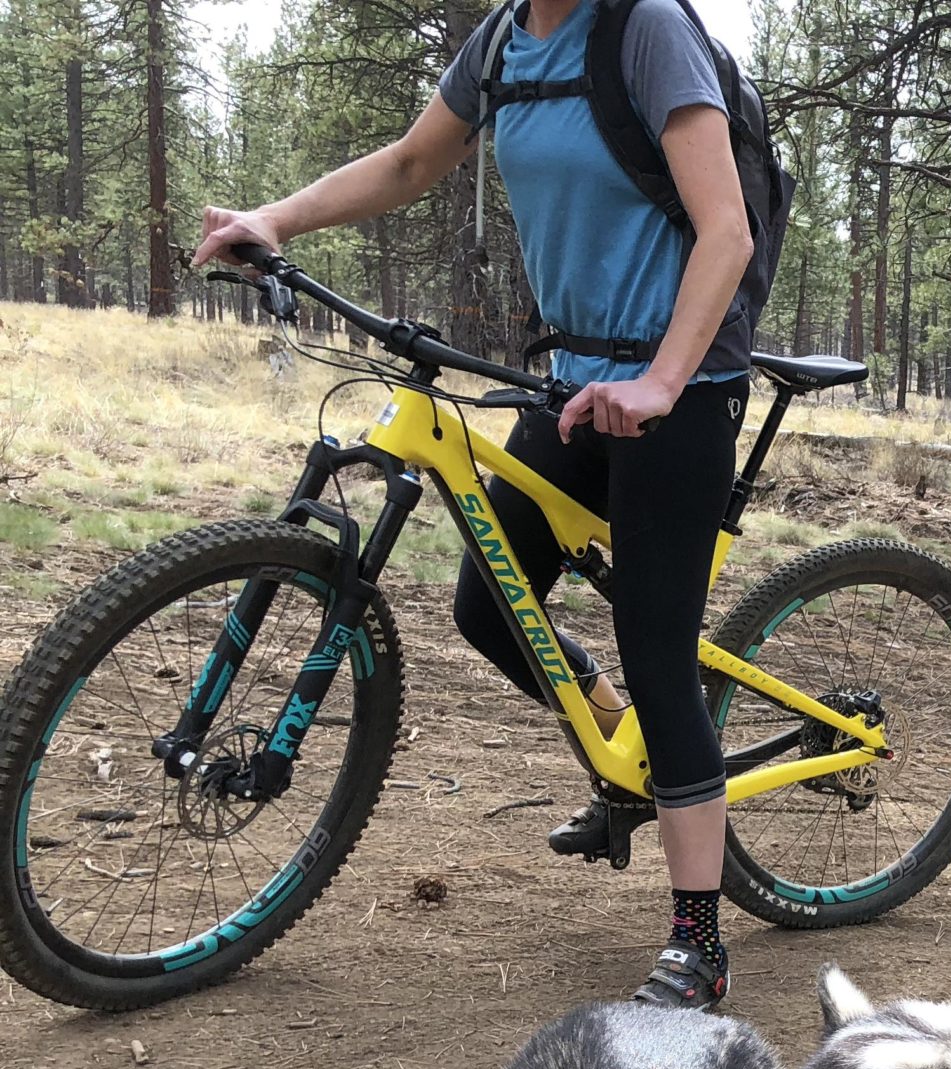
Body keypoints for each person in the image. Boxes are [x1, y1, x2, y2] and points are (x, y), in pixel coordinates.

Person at [194, 0, 758, 1010]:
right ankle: (613, 745)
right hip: (576, 382)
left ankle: (699, 944)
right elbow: (411, 164)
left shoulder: (643, 27)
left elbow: (727, 228)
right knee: (487, 603)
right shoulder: (504, 36)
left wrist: (665, 383)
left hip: (678, 389)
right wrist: (275, 218)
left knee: (659, 657)